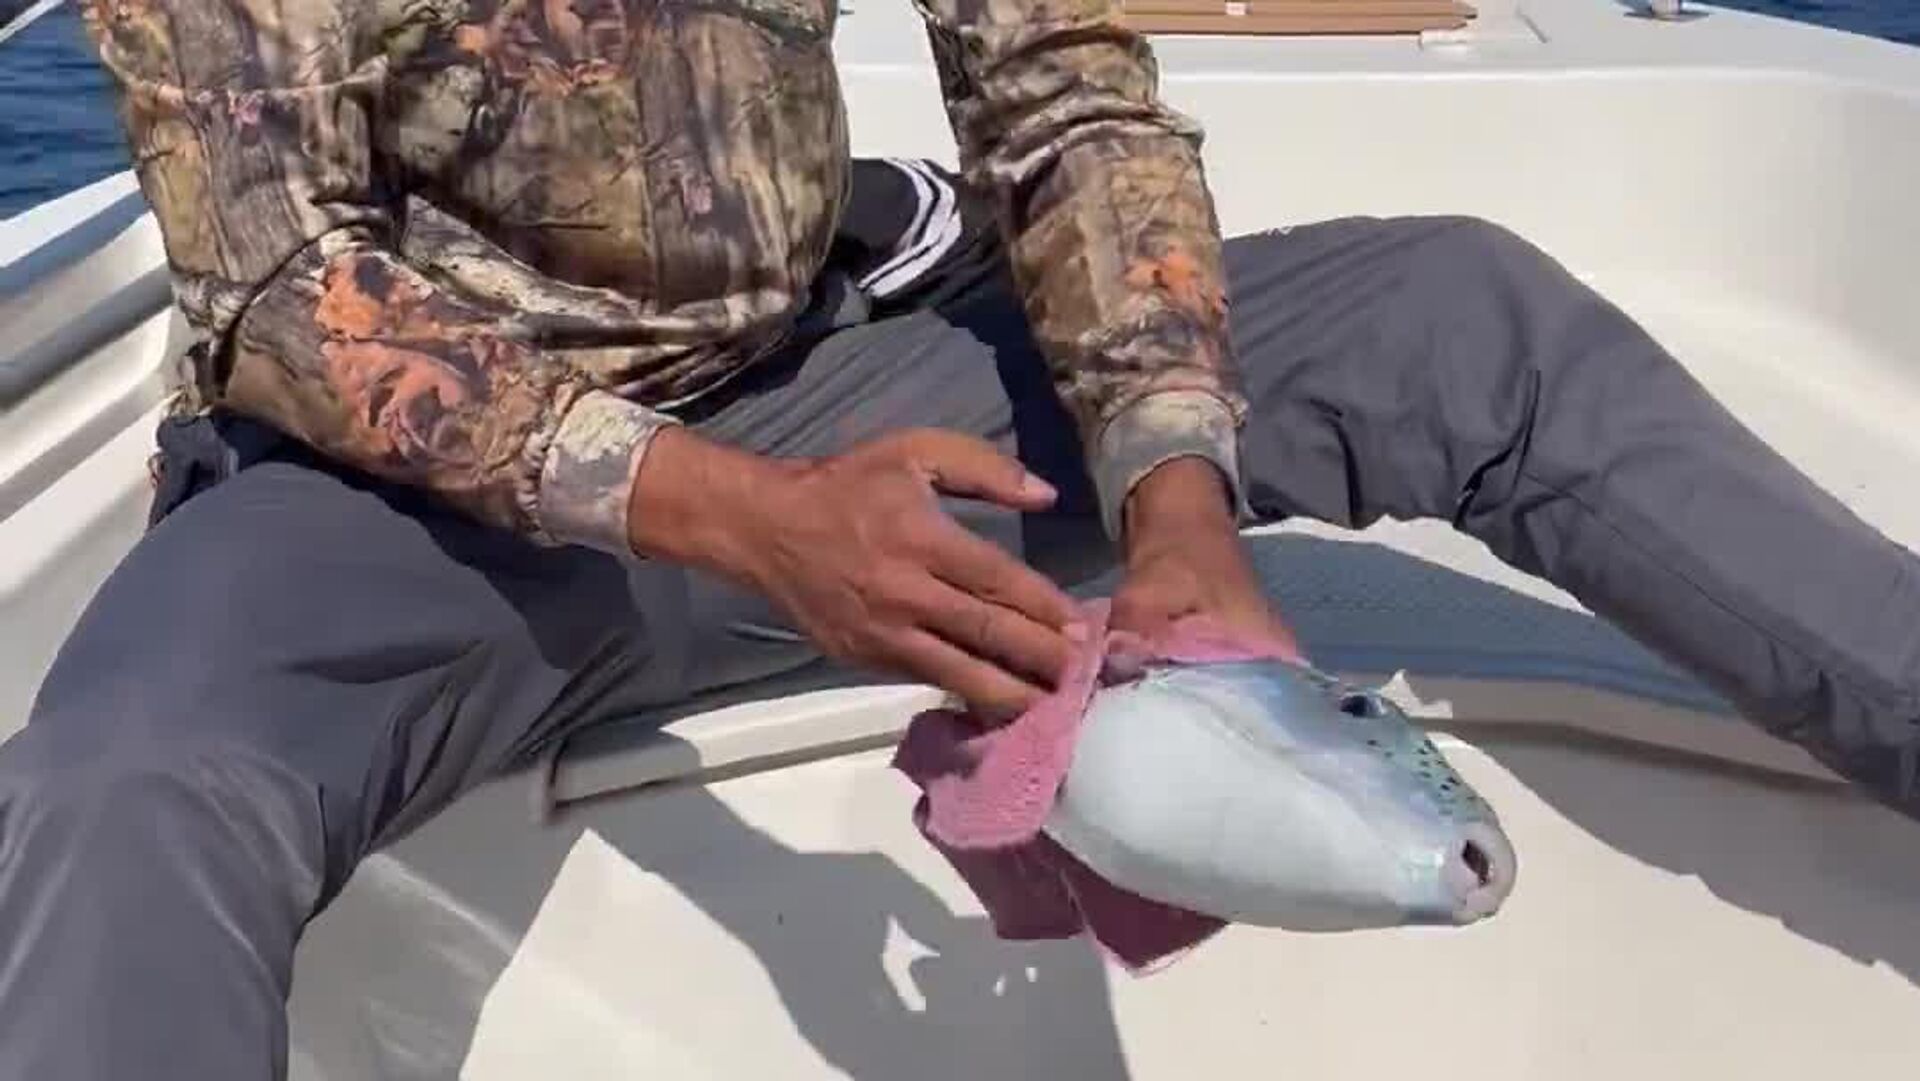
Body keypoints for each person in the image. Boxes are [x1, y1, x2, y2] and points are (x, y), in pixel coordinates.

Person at [2, 0, 1915, 1075]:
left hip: (826, 382)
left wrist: (1177, 496)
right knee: (126, 784)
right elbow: (279, 282)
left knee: (1457, 317)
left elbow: (1064, 99)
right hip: (402, 511)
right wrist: (748, 524)